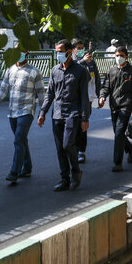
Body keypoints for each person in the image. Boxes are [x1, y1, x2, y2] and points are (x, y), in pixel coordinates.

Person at [38, 39, 90, 192]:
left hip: (73, 113)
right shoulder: (54, 70)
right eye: (57, 51)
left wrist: (84, 118)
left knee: (68, 145)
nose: (58, 54)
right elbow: (50, 94)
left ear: (69, 52)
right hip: (57, 113)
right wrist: (43, 113)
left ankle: (76, 171)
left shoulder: (80, 71)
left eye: (60, 51)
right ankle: (64, 179)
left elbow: (84, 97)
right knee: (60, 149)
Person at [0, 46, 44, 182]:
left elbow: (41, 94)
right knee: (22, 140)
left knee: (18, 139)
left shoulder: (34, 71)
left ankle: (14, 172)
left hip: (26, 111)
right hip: (12, 111)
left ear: (27, 52)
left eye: (22, 50)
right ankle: (27, 168)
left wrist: (42, 112)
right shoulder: (10, 69)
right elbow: (3, 88)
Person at [99, 46, 132, 172]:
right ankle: (130, 149)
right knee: (118, 132)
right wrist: (102, 97)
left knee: (119, 133)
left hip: (126, 106)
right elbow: (106, 86)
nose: (119, 58)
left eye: (121, 55)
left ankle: (117, 163)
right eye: (117, 55)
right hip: (114, 106)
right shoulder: (111, 70)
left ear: (126, 57)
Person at [71, 38, 101, 164]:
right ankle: (72, 150)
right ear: (72, 50)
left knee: (83, 124)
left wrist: (100, 96)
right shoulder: (71, 62)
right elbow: (72, 73)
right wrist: (82, 62)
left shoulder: (91, 63)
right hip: (73, 99)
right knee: (73, 126)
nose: (81, 50)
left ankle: (81, 151)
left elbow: (96, 79)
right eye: (78, 48)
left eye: (82, 48)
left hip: (87, 98)